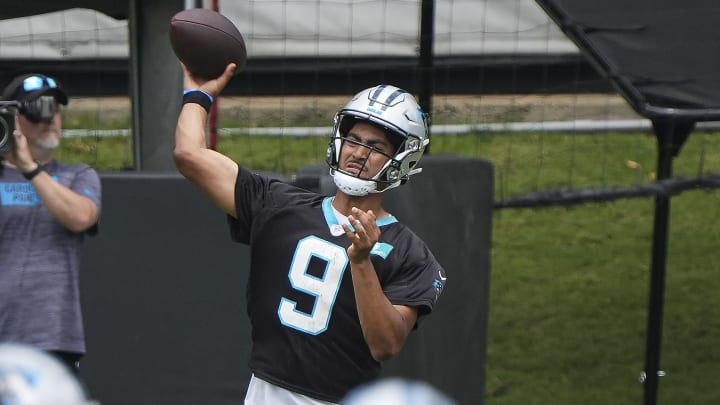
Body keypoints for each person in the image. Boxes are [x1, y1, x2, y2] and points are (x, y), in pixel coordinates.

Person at [174, 63, 447, 404]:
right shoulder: (278, 204)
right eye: (354, 139)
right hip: (264, 392)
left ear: (402, 159)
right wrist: (198, 94)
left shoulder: (410, 253)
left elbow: (385, 345)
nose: (359, 153)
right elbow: (190, 155)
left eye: (376, 147)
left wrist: (361, 262)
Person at [0, 73, 102, 375]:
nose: (50, 118)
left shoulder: (77, 175)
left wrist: (28, 167)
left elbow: (81, 216)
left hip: (53, 337)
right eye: (39, 108)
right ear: (13, 117)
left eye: (55, 108)